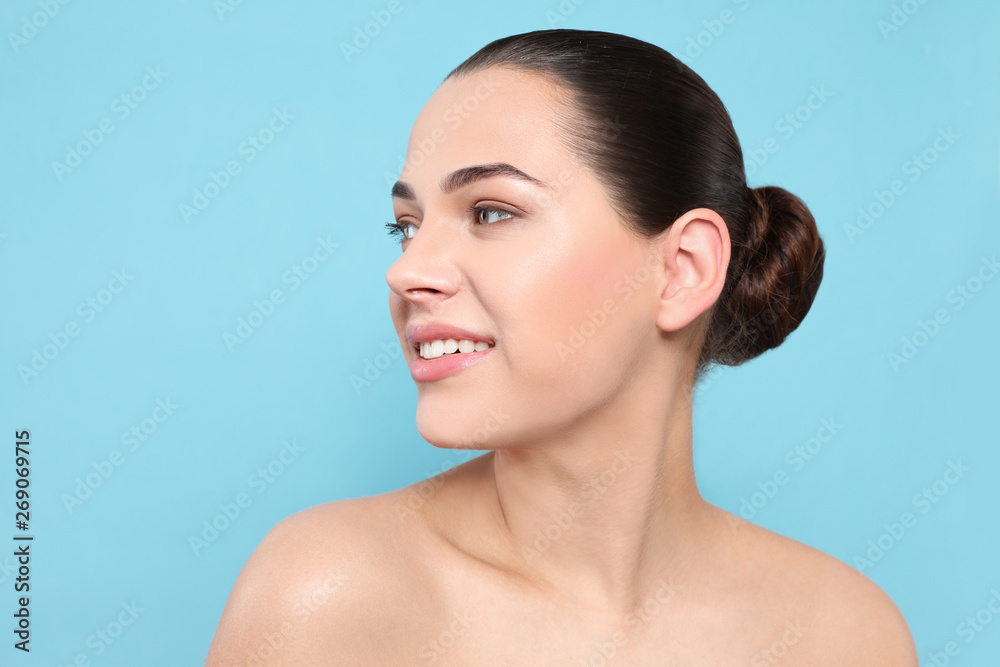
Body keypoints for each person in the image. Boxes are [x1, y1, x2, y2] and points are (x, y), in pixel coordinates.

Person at [205, 29, 918, 665]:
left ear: (683, 269)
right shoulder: (330, 594)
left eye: (490, 211)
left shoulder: (845, 635)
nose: (407, 270)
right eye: (407, 225)